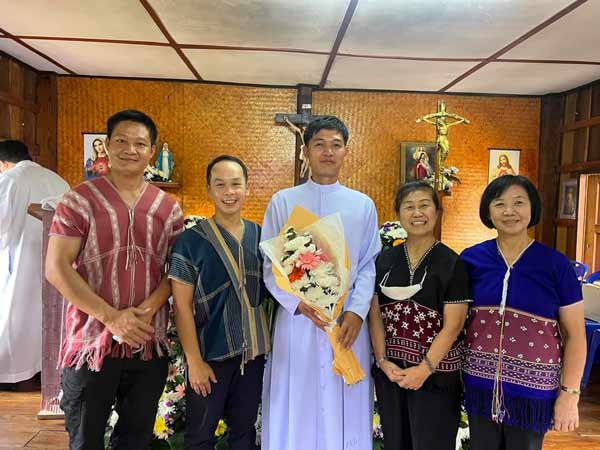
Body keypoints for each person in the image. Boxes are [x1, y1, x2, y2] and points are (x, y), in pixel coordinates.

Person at [45, 110, 184, 450]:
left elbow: (178, 271)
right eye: (121, 141)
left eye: (140, 143)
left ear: (152, 152)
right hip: (92, 342)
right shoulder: (79, 200)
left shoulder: (168, 208)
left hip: (147, 343)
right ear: (106, 146)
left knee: (136, 440)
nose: (130, 150)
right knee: (85, 439)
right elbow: (56, 267)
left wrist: (144, 313)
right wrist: (111, 317)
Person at [260, 116, 381, 450]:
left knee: (344, 396)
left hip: (346, 323)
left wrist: (356, 312)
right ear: (306, 151)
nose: (328, 152)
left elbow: (368, 264)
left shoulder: (362, 205)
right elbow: (270, 265)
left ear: (345, 152)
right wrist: (297, 303)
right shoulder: (283, 201)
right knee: (296, 397)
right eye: (319, 145)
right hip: (299, 320)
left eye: (336, 145)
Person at [461, 175, 587, 450]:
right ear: (488, 211)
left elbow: (576, 335)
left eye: (519, 202)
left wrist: (570, 394)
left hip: (533, 393)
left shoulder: (555, 265)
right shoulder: (470, 259)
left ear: (532, 209)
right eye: (500, 203)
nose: (509, 211)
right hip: (480, 386)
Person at [169, 155, 270, 449]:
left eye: (236, 184)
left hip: (253, 356)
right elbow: (182, 307)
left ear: (247, 188)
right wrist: (194, 362)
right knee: (200, 437)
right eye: (220, 185)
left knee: (244, 433)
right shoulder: (190, 241)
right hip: (210, 356)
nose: (229, 192)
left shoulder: (261, 238)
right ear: (209, 190)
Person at [369, 181, 470, 450]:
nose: (417, 213)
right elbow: (375, 314)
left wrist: (424, 369)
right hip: (392, 376)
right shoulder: (384, 260)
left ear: (437, 212)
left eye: (424, 206)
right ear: (398, 214)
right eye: (409, 207)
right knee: (396, 442)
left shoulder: (452, 263)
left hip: (436, 377)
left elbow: (454, 325)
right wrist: (382, 361)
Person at [0, 140, 69, 387]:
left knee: (16, 313)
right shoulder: (58, 180)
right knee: (49, 315)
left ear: (3, 163)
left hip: (20, 260)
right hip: (57, 260)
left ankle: (14, 375)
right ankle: (46, 369)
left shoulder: (10, 179)